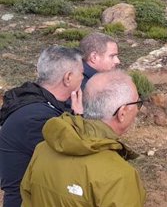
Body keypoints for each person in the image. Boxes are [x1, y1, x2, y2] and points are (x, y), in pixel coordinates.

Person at [20, 70, 146, 206]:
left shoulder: (42, 150)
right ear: (122, 113)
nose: (138, 109)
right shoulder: (119, 176)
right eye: (137, 103)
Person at [0, 46, 84, 207]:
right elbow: (73, 157)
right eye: (81, 73)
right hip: (27, 201)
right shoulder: (37, 117)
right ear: (68, 78)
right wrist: (78, 117)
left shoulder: (36, 102)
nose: (82, 78)